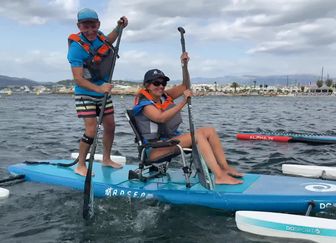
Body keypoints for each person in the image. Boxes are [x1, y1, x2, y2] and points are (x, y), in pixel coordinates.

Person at [132, 52, 243, 185]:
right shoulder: (144, 105)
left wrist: (184, 65)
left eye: (163, 83)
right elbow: (160, 118)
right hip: (153, 149)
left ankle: (225, 169)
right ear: (147, 85)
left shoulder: (164, 96)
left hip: (168, 142)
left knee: (209, 131)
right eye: (156, 83)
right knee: (197, 136)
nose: (161, 86)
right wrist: (184, 102)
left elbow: (185, 86)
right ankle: (219, 176)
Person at [67, 8, 128, 176]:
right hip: (85, 93)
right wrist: (99, 88)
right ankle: (80, 165)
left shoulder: (99, 36)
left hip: (103, 93)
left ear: (98, 24)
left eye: (93, 26)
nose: (90, 30)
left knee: (110, 126)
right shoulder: (76, 48)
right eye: (85, 26)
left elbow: (109, 40)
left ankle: (106, 159)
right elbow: (78, 78)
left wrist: (119, 28)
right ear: (79, 26)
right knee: (91, 130)